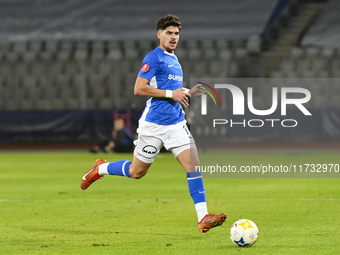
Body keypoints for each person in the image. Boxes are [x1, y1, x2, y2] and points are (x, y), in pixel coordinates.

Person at [81, 14, 226, 233]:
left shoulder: (175, 60)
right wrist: (172, 94)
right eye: (169, 33)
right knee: (136, 172)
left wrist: (188, 91)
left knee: (193, 165)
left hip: (176, 124)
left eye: (176, 33)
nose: (173, 37)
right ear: (159, 34)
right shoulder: (154, 57)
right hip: (154, 125)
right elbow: (139, 89)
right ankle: (100, 168)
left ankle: (203, 217)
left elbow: (173, 91)